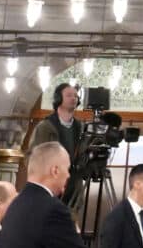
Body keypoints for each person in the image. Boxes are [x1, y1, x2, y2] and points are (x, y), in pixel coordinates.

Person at [26, 85, 93, 216]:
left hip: (73, 191)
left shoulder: (81, 129)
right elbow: (31, 158)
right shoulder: (46, 127)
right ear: (58, 99)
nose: (73, 98)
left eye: (75, 95)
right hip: (49, 189)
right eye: (69, 95)